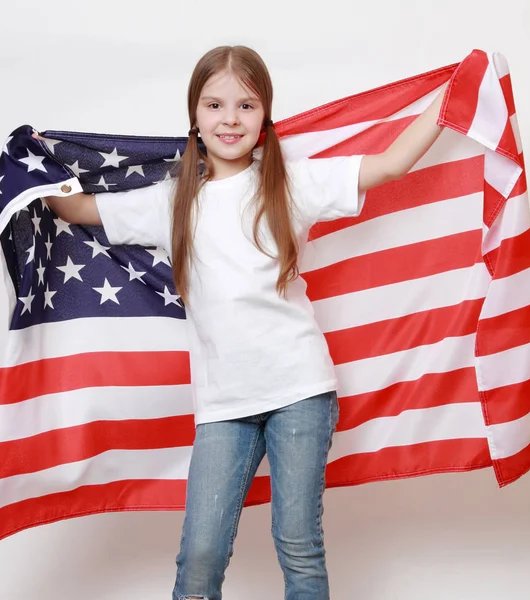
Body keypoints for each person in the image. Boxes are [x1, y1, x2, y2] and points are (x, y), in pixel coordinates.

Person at [36, 45, 446, 600]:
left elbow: (393, 163)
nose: (230, 119)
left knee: (298, 543)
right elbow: (81, 209)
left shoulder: (291, 184)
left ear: (264, 116)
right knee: (200, 554)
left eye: (246, 106)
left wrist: (456, 91)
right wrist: (33, 165)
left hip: (299, 388)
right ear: (196, 117)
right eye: (215, 105)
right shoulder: (174, 200)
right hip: (225, 403)